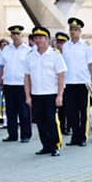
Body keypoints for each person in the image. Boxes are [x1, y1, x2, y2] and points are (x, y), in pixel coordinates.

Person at [24, 26, 66, 157]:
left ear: (47, 39)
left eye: (41, 38)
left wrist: (60, 95)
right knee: (40, 121)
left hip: (50, 93)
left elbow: (61, 75)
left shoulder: (55, 55)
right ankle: (45, 146)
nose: (38, 40)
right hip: (36, 94)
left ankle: (55, 145)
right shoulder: (30, 55)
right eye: (36, 38)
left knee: (50, 120)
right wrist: (28, 96)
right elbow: (27, 77)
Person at [61, 17, 92, 146]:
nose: (73, 32)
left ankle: (83, 137)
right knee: (71, 112)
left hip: (83, 83)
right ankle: (74, 137)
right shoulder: (65, 46)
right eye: (71, 30)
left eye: (75, 30)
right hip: (69, 83)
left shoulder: (86, 46)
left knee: (83, 112)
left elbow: (91, 64)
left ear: (80, 31)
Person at [0, 24, 33, 143]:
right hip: (9, 84)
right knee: (10, 111)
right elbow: (2, 66)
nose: (15, 36)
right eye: (13, 34)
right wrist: (1, 81)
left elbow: (31, 69)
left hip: (22, 84)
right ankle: (12, 134)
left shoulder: (28, 50)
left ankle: (26, 135)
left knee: (24, 111)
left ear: (22, 35)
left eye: (18, 34)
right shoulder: (6, 50)